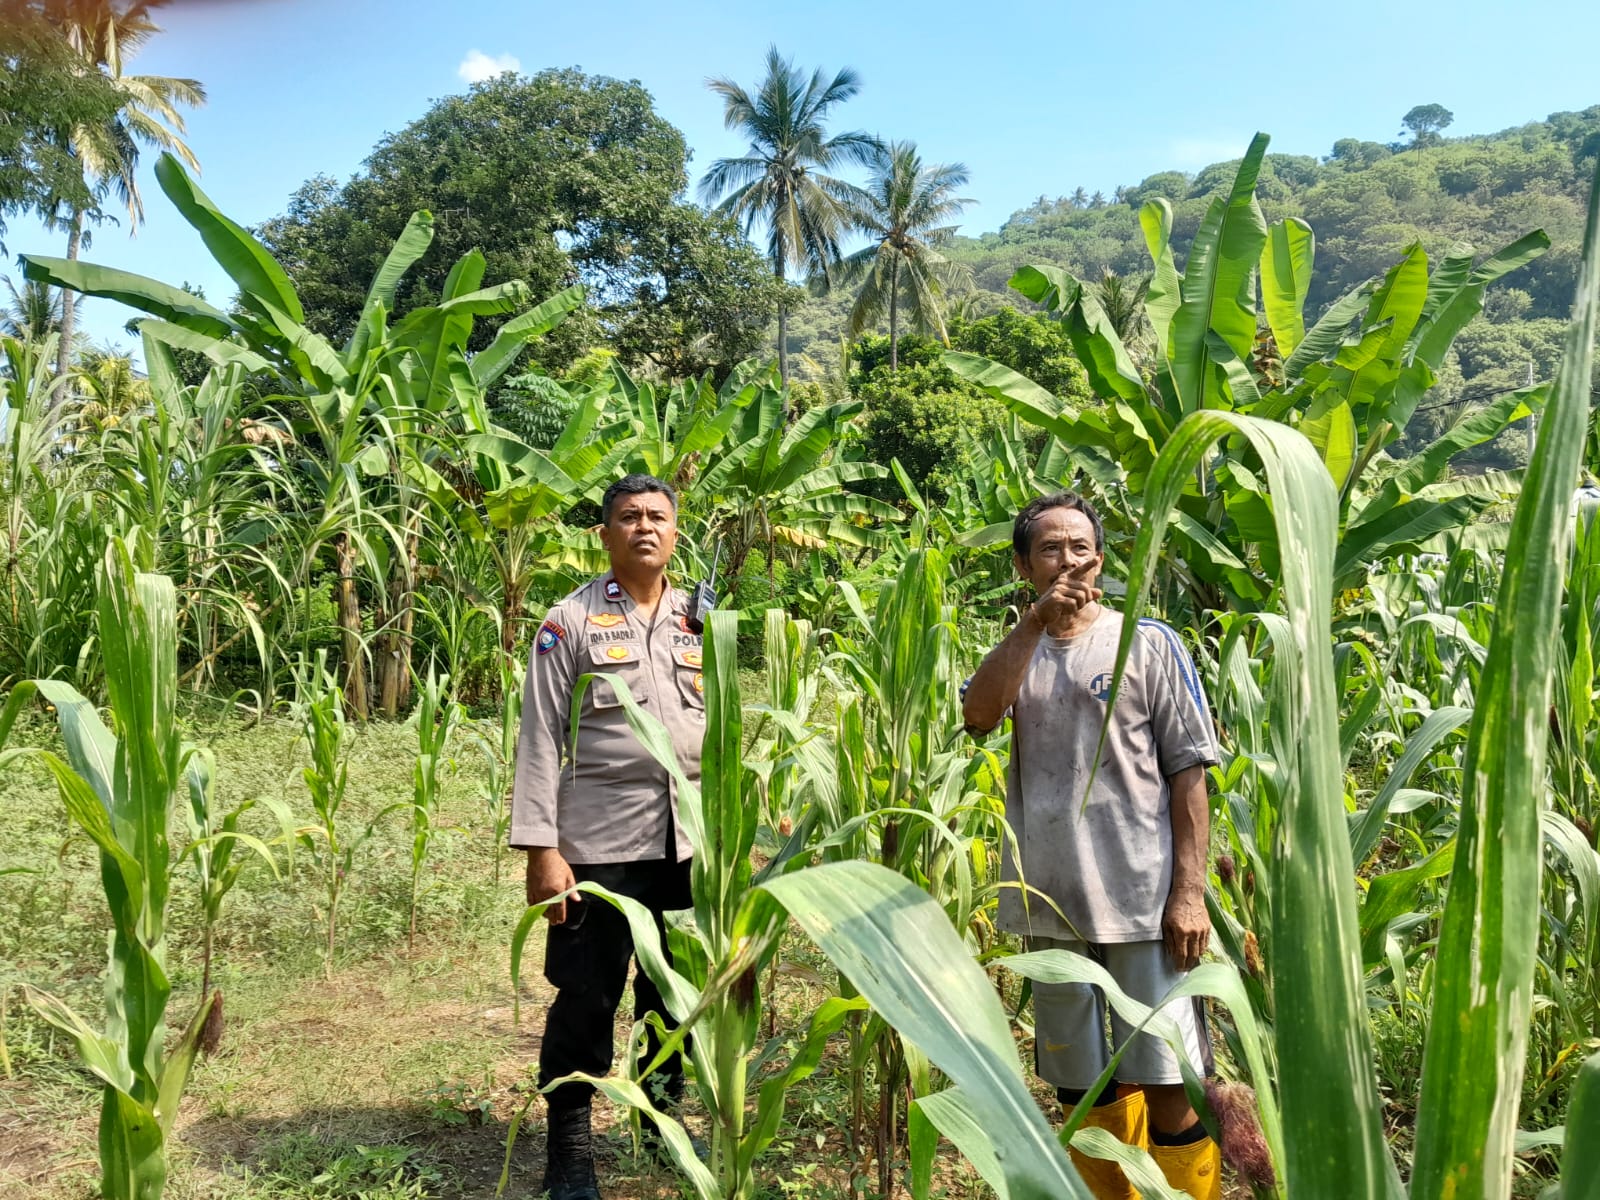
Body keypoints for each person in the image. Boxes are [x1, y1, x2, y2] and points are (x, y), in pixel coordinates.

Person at [961, 492, 1222, 1200]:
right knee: (1081, 1087)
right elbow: (978, 717)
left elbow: (1189, 773)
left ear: (1100, 560)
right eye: (1050, 548)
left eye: (1080, 547)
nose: (1068, 560)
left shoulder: (1148, 642)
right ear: (1024, 567)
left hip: (1144, 903)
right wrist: (1033, 624)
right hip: (1053, 904)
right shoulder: (1018, 650)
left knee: (1168, 1082)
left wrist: (1189, 894)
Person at [510, 473, 707, 1200]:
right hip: (599, 843)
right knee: (587, 996)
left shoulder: (701, 619)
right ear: (605, 534)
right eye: (628, 517)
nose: (644, 527)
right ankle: (569, 1152)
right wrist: (541, 849)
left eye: (657, 516)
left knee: (673, 991)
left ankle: (661, 1125)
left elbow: (722, 729)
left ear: (675, 532)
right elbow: (539, 738)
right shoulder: (572, 621)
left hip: (689, 842)